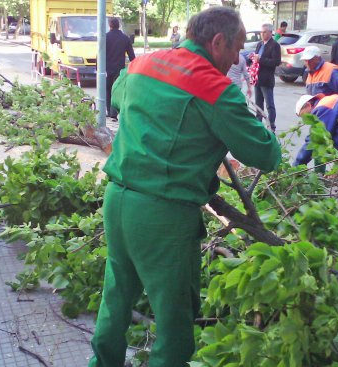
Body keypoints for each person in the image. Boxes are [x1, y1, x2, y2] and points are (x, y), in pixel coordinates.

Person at [89, 7, 281, 367]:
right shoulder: (215, 87)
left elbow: (118, 98)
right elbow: (265, 154)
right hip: (163, 216)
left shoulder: (142, 64)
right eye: (237, 47)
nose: (238, 58)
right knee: (175, 319)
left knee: (116, 298)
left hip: (116, 201)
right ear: (217, 41)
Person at [252, 23, 281, 132]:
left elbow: (276, 62)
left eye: (264, 32)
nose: (262, 34)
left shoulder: (274, 45)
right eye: (261, 32)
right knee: (258, 103)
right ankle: (258, 123)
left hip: (266, 79)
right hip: (257, 78)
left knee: (269, 104)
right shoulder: (260, 44)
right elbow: (256, 57)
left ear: (270, 32)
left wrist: (261, 60)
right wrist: (253, 59)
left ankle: (272, 125)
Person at [106, 17, 135, 120]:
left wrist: (98, 68)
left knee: (108, 89)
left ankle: (109, 111)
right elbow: (131, 55)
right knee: (117, 89)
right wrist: (134, 66)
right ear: (119, 26)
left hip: (107, 68)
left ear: (110, 25)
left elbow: (99, 53)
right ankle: (114, 112)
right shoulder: (125, 38)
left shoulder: (105, 37)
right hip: (119, 68)